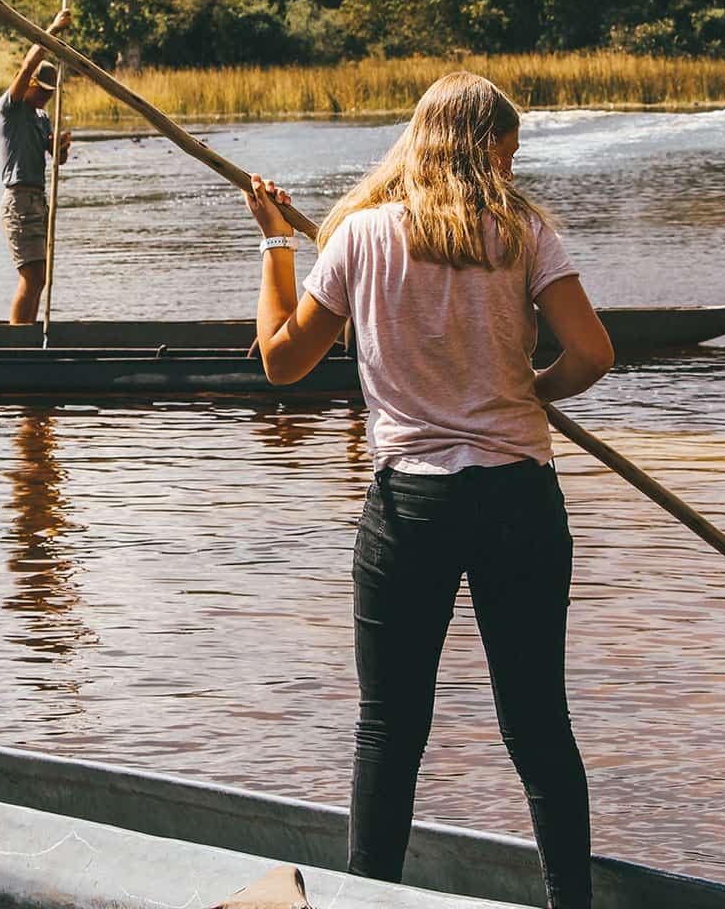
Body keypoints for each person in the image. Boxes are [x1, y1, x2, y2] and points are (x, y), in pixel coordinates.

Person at [243, 72, 613, 909]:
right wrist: (527, 389)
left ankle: (370, 901)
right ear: (483, 152)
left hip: (411, 507)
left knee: (390, 728)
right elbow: (593, 356)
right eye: (508, 157)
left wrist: (274, 244)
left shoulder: (360, 236)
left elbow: (280, 364)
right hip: (518, 498)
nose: (511, 177)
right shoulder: (523, 234)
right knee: (539, 725)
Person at [0, 8, 74, 323]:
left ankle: (27, 334)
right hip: (18, 201)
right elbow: (29, 61)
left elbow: (58, 160)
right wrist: (53, 30)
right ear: (28, 83)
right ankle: (17, 342)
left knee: (40, 279)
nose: (45, 97)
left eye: (49, 94)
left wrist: (60, 147)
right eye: (41, 91)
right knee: (31, 278)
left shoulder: (42, 118)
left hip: (38, 201)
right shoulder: (11, 108)